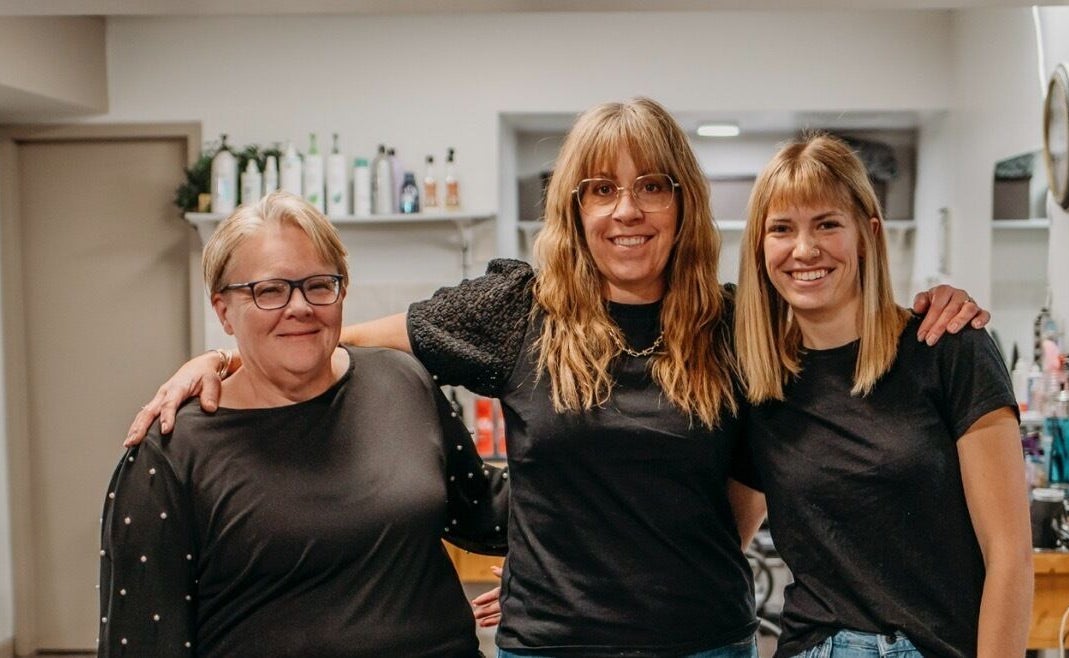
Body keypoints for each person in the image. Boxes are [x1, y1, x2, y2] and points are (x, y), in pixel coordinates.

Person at [126, 99, 988, 658]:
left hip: (702, 643)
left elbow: (834, 323)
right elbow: (332, 331)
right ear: (572, 207)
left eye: (653, 186)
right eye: (601, 189)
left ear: (683, 200)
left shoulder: (734, 323)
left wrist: (935, 308)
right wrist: (233, 351)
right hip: (553, 648)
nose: (628, 210)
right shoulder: (520, 310)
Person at [100, 192, 506, 658]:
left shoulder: (401, 382)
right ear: (223, 310)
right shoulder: (170, 451)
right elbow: (142, 641)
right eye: (269, 290)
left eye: (318, 285)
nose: (299, 307)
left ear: (341, 292)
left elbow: (481, 511)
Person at [733, 133, 1033, 658]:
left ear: (868, 234)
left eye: (827, 223)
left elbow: (1009, 556)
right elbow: (718, 539)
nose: (805, 249)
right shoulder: (760, 385)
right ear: (760, 248)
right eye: (782, 229)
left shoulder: (947, 347)